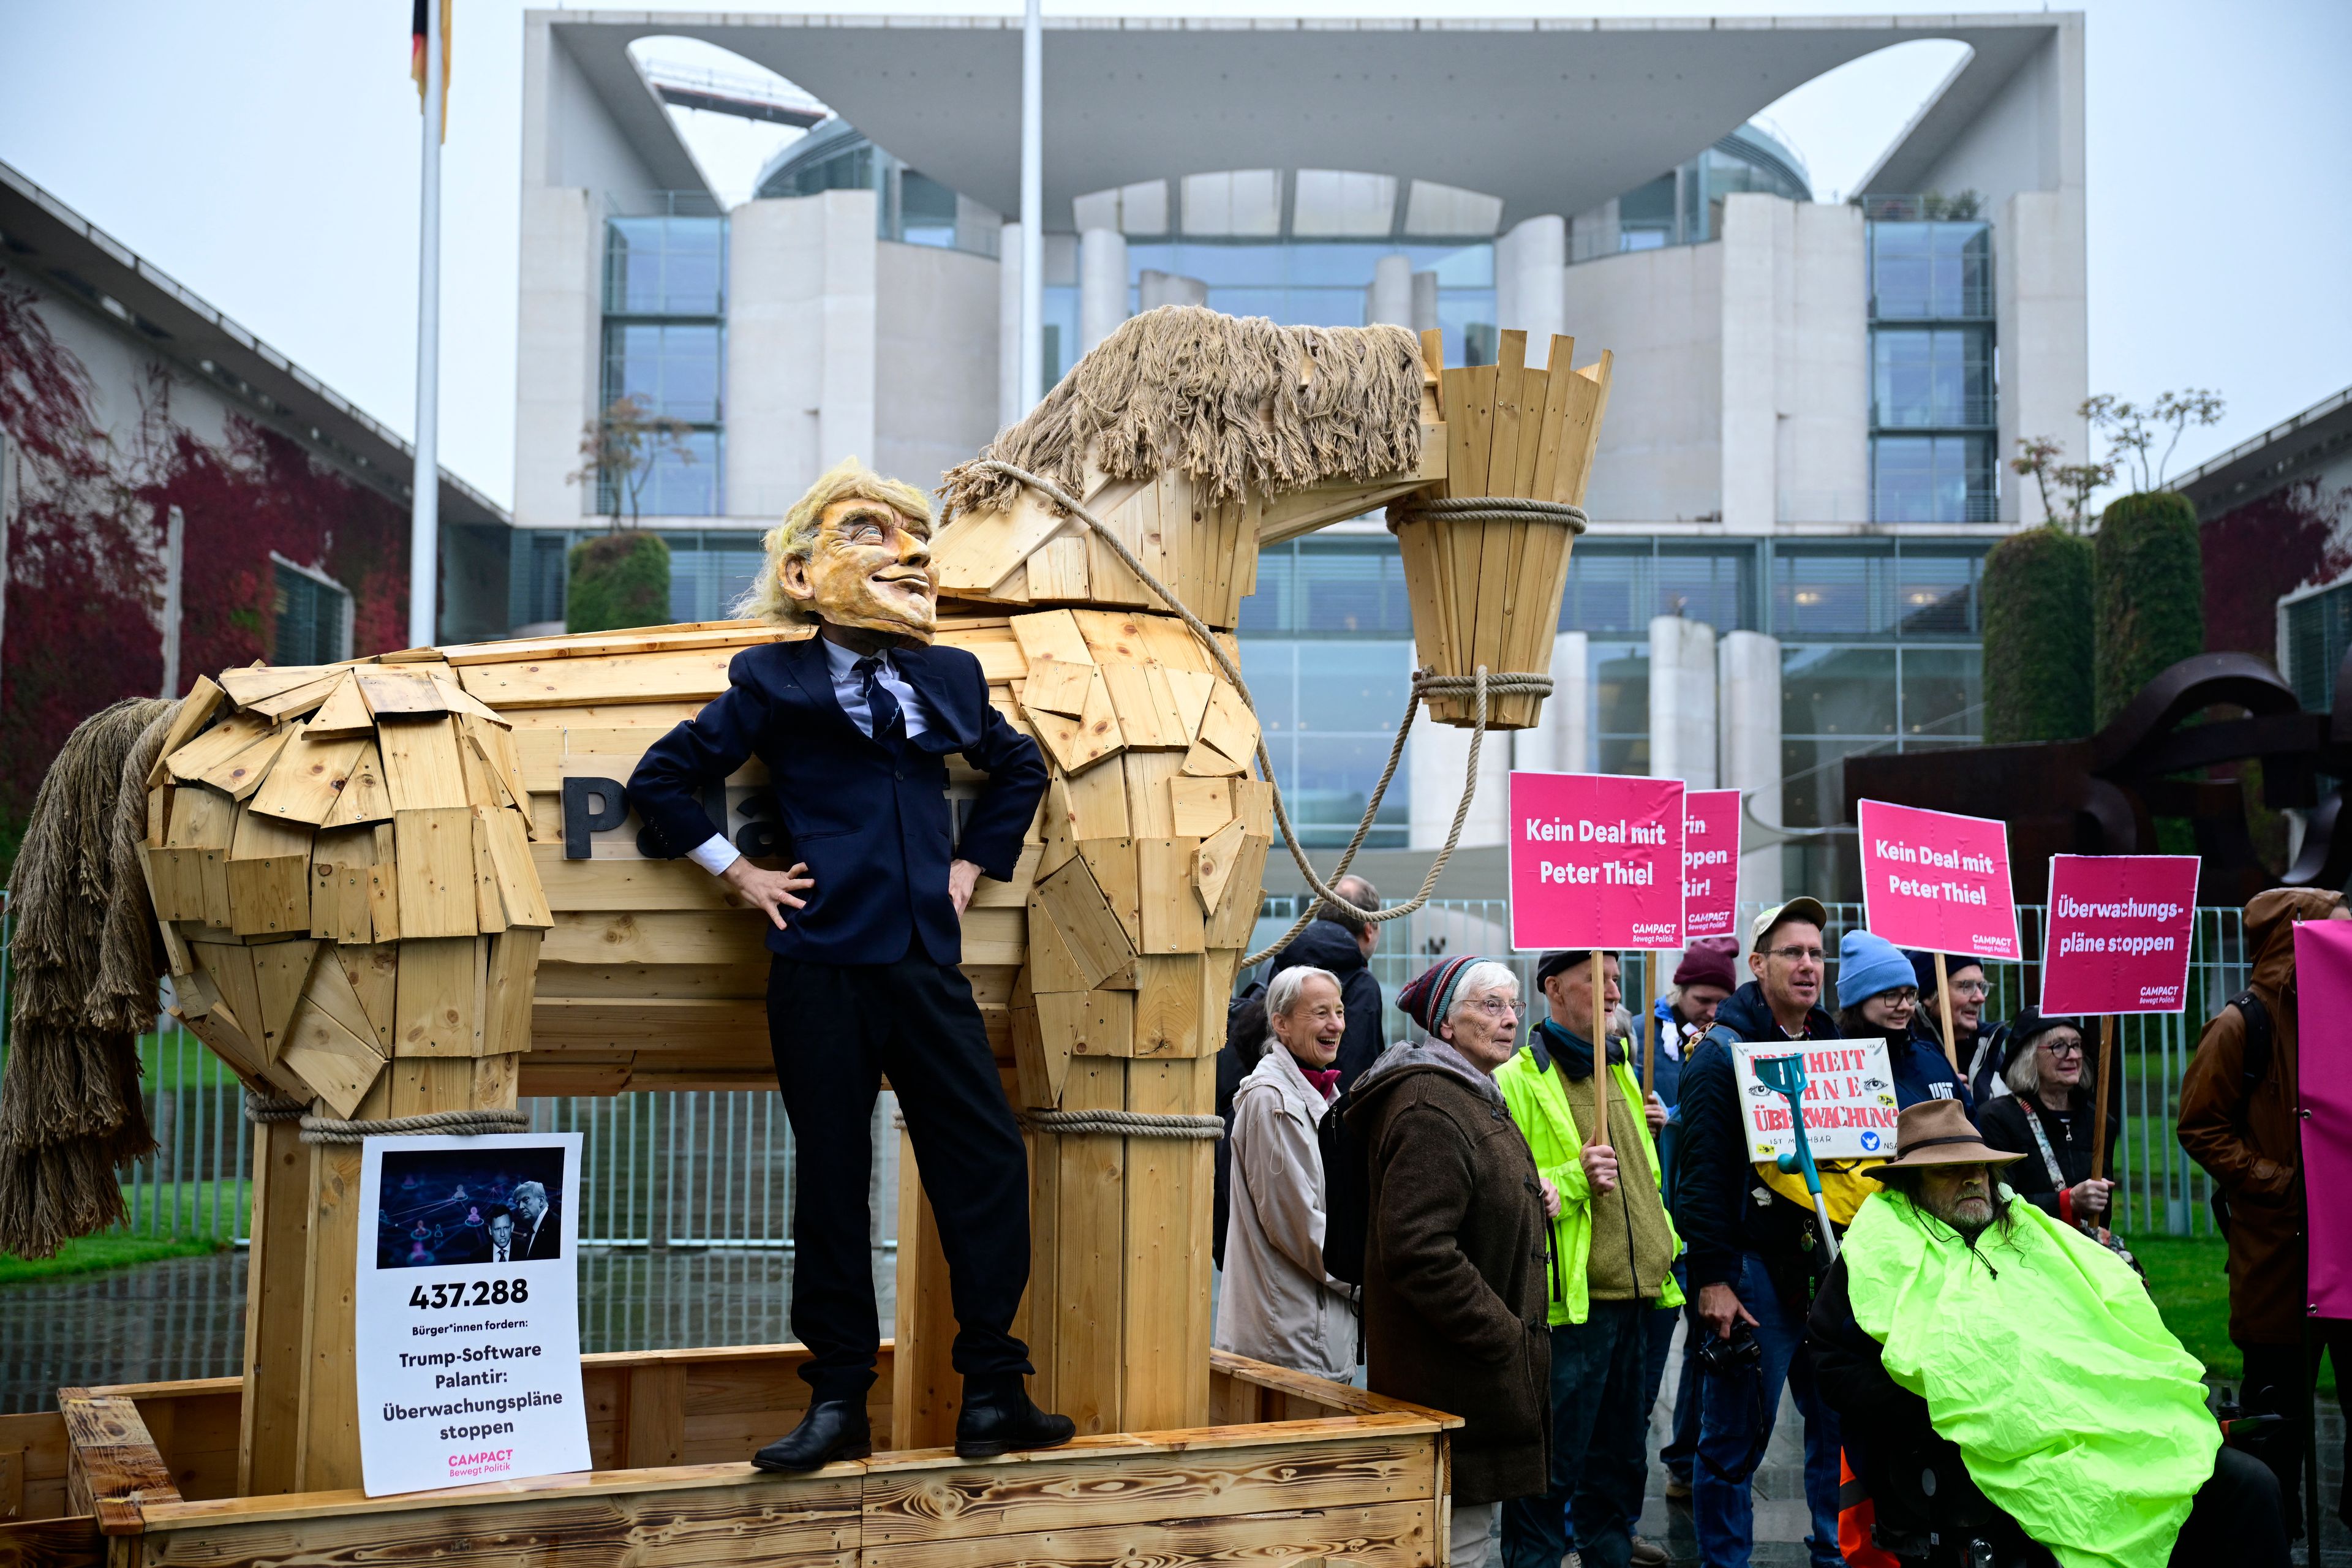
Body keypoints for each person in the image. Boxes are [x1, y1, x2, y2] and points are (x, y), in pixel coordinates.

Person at [628, 458, 1069, 1470]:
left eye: (912, 536)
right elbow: (664, 779)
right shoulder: (769, 678)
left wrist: (972, 865)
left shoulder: (949, 676)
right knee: (831, 1178)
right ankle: (836, 1403)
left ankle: (994, 1390)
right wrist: (740, 875)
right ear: (803, 573)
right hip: (820, 961)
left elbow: (1017, 766)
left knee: (987, 1163)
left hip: (925, 960)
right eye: (870, 531)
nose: (903, 554)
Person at [1810, 1099, 2287, 1567]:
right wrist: (1950, 1407)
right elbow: (1833, 1367)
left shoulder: (2031, 1232)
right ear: (1910, 1184)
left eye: (1979, 1168)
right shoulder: (1878, 1254)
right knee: (2072, 1513)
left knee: (2248, 1485)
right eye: (1949, 1170)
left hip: (2097, 1420)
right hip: (1983, 1449)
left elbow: (2108, 1317)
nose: (1973, 1179)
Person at [1347, 956, 1549, 1568]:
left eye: (1513, 1005)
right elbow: (1417, 1246)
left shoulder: (1468, 1093)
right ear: (1446, 1023)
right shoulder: (1433, 1104)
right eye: (1490, 1004)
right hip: (1453, 1380)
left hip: (1469, 1381)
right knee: (1454, 1546)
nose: (1510, 1018)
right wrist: (1502, 1336)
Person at [1673, 897, 1848, 1568]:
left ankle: (1835, 1551)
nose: (1808, 965)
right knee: (1734, 1438)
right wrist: (1713, 1279)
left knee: (1835, 1424)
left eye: (1816, 953)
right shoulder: (1721, 1056)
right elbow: (1704, 1182)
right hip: (1751, 1275)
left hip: (1827, 1275)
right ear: (1757, 964)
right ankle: (1727, 1561)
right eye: (1792, 953)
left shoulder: (1835, 1049)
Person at [1497, 951, 1679, 1568]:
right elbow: (1509, 1193)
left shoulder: (1621, 1067)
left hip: (1640, 1300)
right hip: (1574, 1312)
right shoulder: (1516, 1080)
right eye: (1594, 977)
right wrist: (1575, 1178)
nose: (1611, 988)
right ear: (1551, 987)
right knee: (1551, 1477)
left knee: (1620, 1470)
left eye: (1615, 978)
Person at [2179, 886, 2352, 1529]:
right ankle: (2272, 1536)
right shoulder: (2240, 1024)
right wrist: (2282, 1181)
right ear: (2298, 937)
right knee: (2277, 1426)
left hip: (2347, 1256)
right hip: (2278, 1262)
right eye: (2336, 931)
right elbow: (2200, 1126)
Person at [1214, 966, 1356, 1382]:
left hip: (1314, 1330)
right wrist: (1367, 1283)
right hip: (1288, 1339)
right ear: (1281, 1024)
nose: (1336, 1025)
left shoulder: (1325, 1095)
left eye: (1340, 1011)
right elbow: (1298, 1226)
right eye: (1320, 1013)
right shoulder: (1271, 1099)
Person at [1648, 937, 1738, 1507]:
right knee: (1648, 1359)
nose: (1710, 1010)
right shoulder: (1639, 1035)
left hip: (1699, 1215)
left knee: (1705, 1351)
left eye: (1719, 1001)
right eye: (1702, 999)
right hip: (1657, 1213)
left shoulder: (1730, 1043)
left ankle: (1685, 1458)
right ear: (1678, 991)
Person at [1977, 1009, 2115, 1228]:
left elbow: (2103, 1212)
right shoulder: (1997, 1119)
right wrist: (2067, 1202)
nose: (2073, 1055)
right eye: (2058, 1046)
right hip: (2025, 1253)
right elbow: (1997, 1203)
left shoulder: (2099, 1122)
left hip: (2087, 1255)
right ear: (2028, 1056)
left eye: (2077, 1045)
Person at [1268, 875, 1387, 1092]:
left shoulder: (1277, 964)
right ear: (1369, 929)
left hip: (1276, 1086)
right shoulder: (1363, 984)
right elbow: (1359, 1072)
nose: (1337, 1025)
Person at [1833, 930, 1972, 1112]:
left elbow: (1973, 1128)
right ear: (1858, 1001)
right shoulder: (1834, 1070)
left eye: (1910, 995)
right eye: (1891, 995)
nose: (1905, 1006)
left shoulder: (1934, 1058)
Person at [1908, 951, 2000, 1104]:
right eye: (1966, 986)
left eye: (1981, 986)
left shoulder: (1988, 1046)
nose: (1980, 998)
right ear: (1931, 996)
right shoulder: (1907, 1051)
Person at [510, 1181, 560, 1261]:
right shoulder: (531, 1232)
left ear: (541, 1200)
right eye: (518, 1203)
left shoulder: (559, 1226)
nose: (521, 1207)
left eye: (526, 1200)